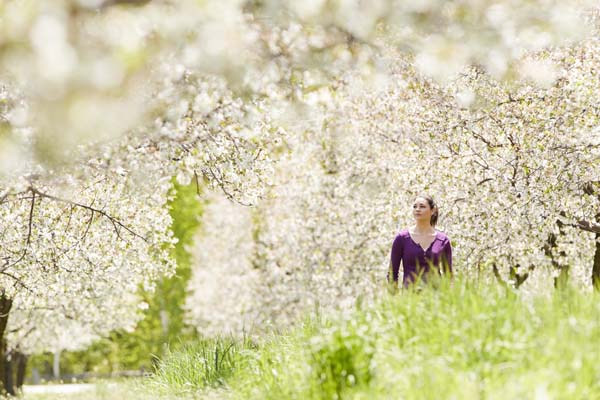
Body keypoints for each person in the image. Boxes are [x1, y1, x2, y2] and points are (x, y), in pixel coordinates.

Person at [387, 194, 452, 289]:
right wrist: (394, 296)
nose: (417, 209)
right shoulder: (401, 238)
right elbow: (393, 273)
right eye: (415, 207)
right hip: (409, 298)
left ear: (433, 210)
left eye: (422, 206)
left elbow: (448, 275)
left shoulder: (443, 240)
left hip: (436, 298)